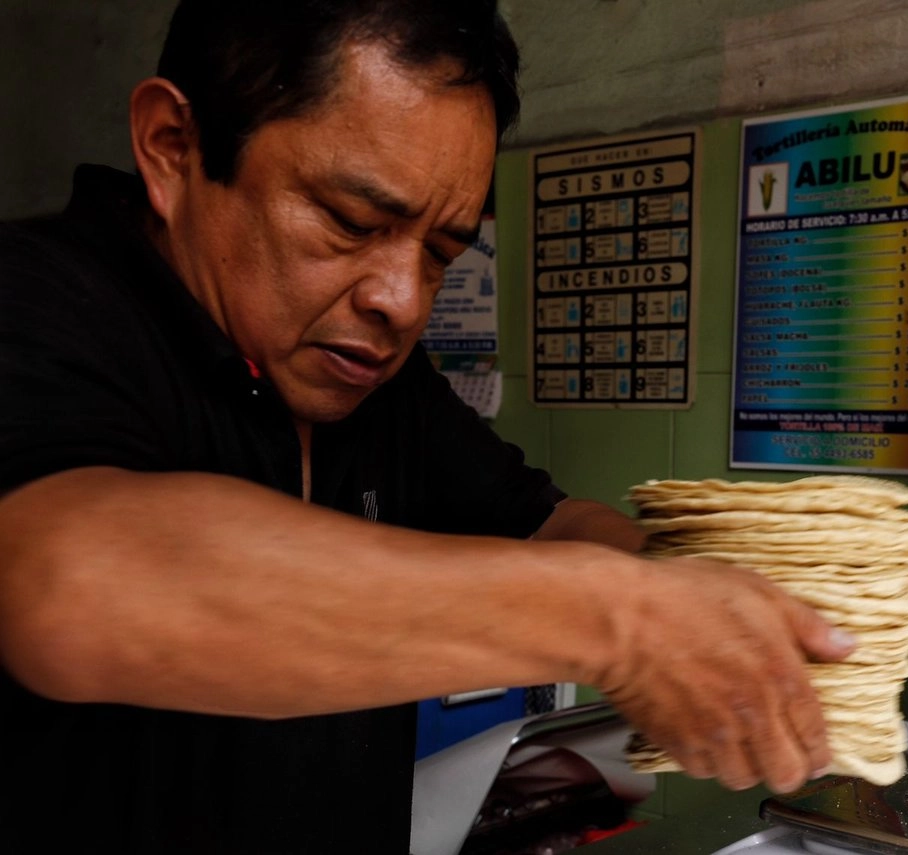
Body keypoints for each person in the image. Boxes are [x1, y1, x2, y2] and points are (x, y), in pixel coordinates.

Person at [0, 1, 854, 851]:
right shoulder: (39, 302)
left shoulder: (381, 385)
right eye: (351, 222)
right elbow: (74, 581)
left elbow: (546, 523)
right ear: (173, 149)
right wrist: (622, 620)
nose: (402, 302)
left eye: (442, 253)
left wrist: (704, 594)